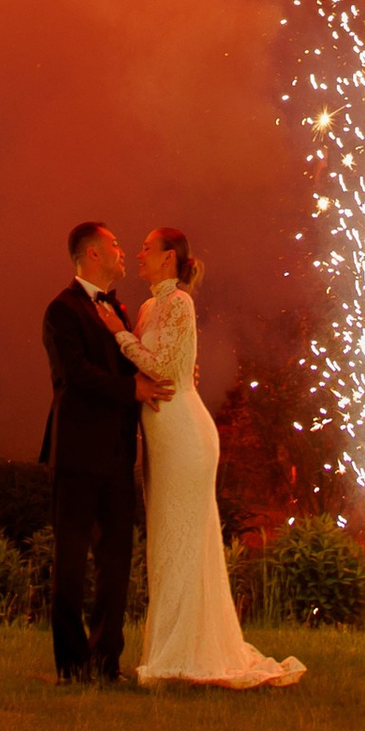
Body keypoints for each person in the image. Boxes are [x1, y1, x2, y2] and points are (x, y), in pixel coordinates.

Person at [130, 224, 304, 690]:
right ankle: (172, 649)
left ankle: (183, 655)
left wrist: (116, 336)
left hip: (183, 432)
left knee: (184, 537)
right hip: (160, 433)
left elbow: (164, 368)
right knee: (167, 540)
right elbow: (159, 360)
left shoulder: (179, 303)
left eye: (147, 248)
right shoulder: (149, 307)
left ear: (170, 257)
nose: (139, 254)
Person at [41, 221, 162, 685]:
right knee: (70, 564)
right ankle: (71, 665)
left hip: (115, 454)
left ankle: (106, 659)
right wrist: (131, 388)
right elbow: (74, 375)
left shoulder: (119, 309)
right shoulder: (62, 310)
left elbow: (135, 359)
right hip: (76, 454)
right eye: (114, 244)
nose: (122, 251)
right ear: (92, 254)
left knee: (116, 562)